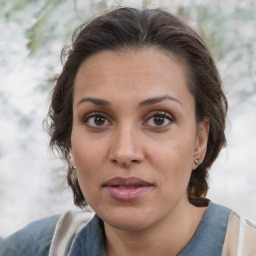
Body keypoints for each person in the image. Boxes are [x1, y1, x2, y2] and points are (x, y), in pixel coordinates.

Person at [1, 7, 255, 256]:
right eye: (98, 119)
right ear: (69, 140)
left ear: (200, 140)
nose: (124, 153)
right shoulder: (32, 248)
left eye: (158, 119)